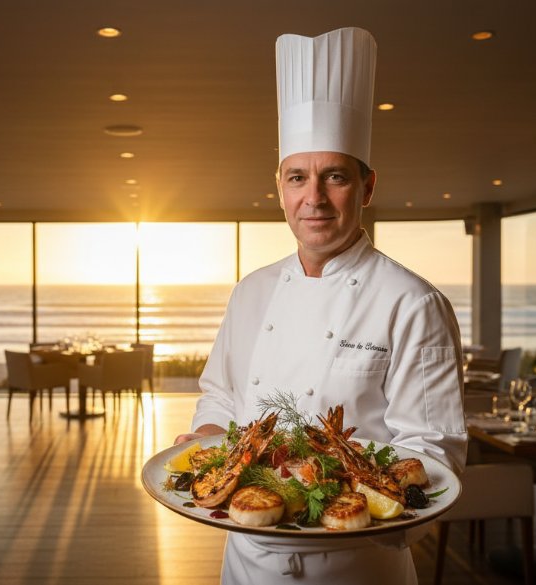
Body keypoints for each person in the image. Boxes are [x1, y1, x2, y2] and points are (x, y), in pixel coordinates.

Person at [174, 27, 467, 584]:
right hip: (246, 561)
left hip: (359, 565)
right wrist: (206, 437)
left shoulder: (413, 302)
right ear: (279, 188)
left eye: (334, 176)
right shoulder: (251, 291)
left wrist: (364, 501)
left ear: (367, 187)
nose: (314, 198)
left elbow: (433, 454)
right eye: (297, 178)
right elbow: (220, 395)